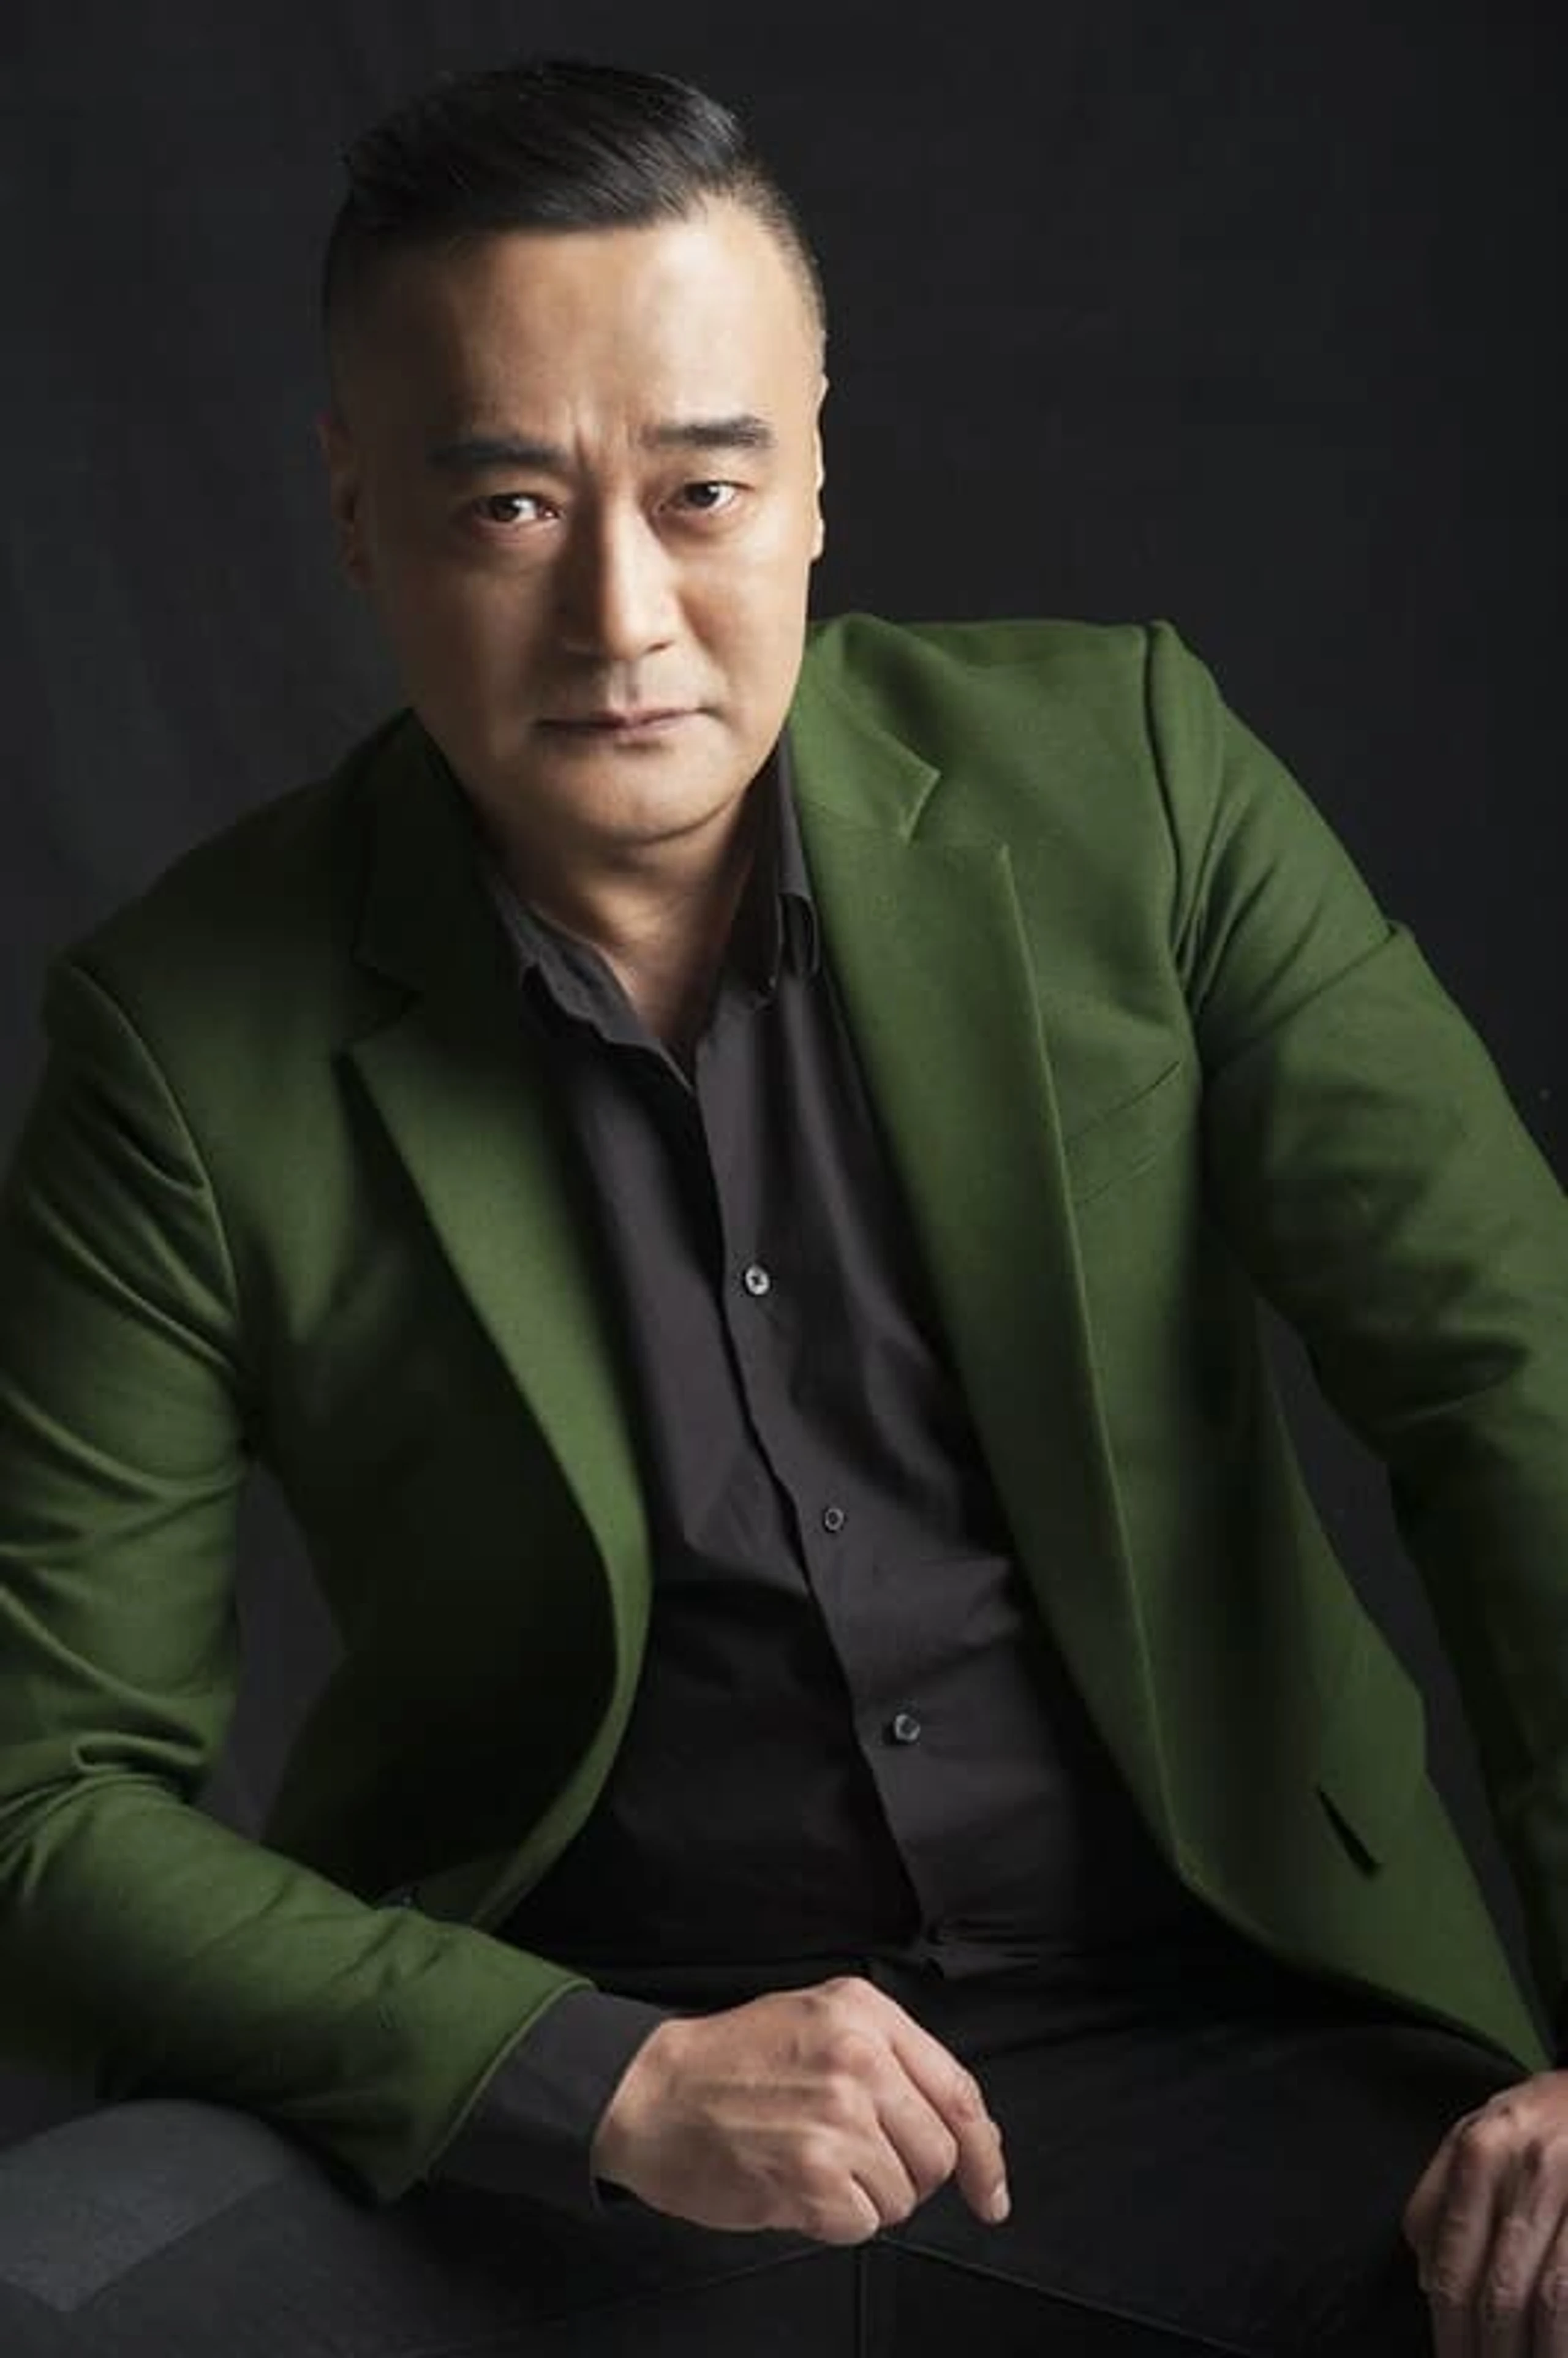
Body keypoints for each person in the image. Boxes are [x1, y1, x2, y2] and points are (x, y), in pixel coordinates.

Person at [0, 53, 1564, 2358]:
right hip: (564, 2113)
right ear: (354, 512)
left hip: (1239, 2050)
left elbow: (1515, 1387)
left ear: (819, 475)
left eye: (704, 491)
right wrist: (590, 2077)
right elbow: (41, 1798)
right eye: (510, 506)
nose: (622, 615)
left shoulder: (1138, 783)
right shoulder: (182, 1037)